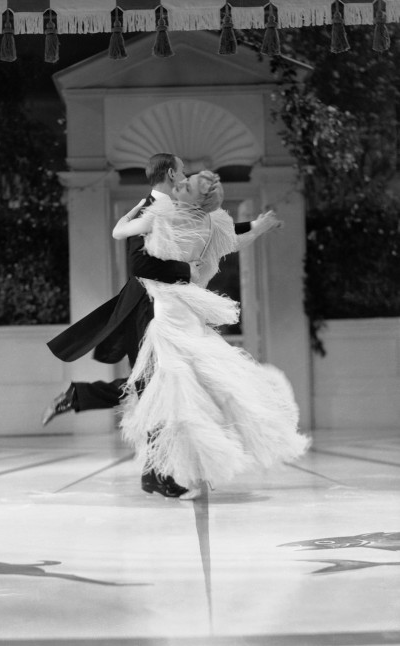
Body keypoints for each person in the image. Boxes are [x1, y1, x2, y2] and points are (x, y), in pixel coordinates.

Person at [44, 153, 279, 497]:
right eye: (184, 173)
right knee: (160, 389)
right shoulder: (153, 210)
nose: (185, 177)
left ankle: (152, 468)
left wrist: (256, 227)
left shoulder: (180, 209)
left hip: (175, 310)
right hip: (149, 310)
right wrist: (188, 272)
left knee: (163, 388)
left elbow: (217, 230)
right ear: (171, 174)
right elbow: (139, 262)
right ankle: (156, 470)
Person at [111, 170, 310, 500]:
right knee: (187, 391)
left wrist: (130, 216)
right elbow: (233, 238)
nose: (178, 185)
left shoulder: (166, 214)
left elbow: (127, 243)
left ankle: (174, 467)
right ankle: (167, 469)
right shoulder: (210, 224)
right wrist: (258, 227)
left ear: (191, 198)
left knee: (175, 395)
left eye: (185, 185)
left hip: (172, 315)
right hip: (185, 313)